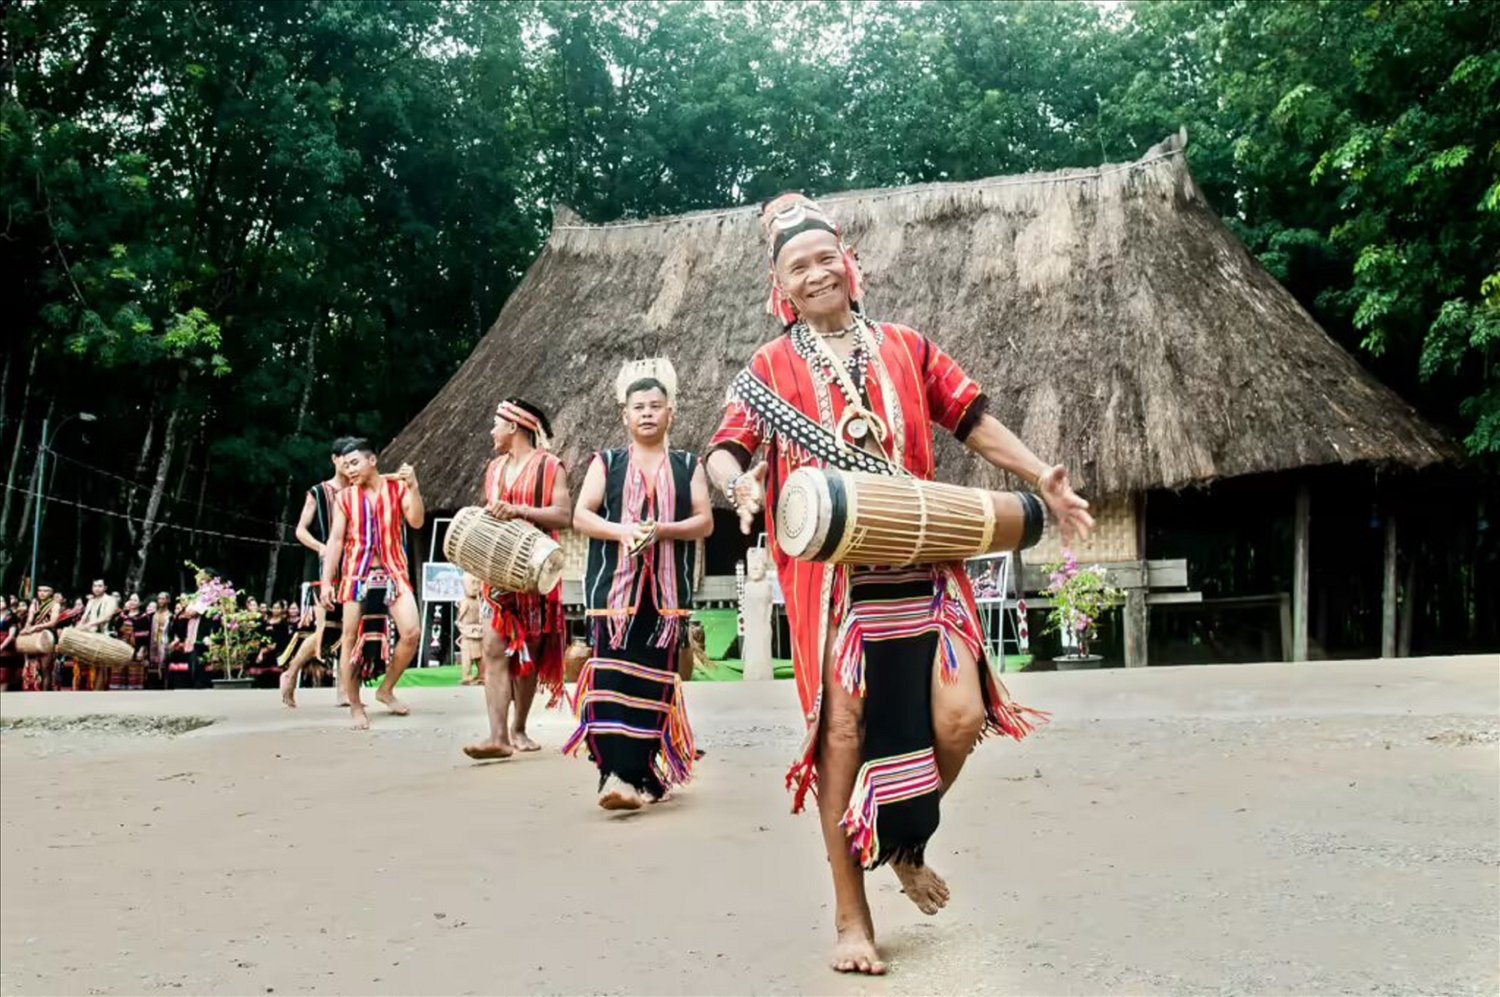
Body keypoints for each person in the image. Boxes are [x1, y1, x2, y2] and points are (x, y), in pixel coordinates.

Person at [704, 193, 1096, 975]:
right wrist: (738, 487)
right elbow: (723, 447)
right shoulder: (770, 367)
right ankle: (853, 918)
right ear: (780, 287)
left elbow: (972, 417)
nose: (816, 273)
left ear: (852, 265)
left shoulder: (908, 346)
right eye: (797, 266)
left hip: (925, 560)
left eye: (826, 258)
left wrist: (1038, 476)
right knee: (841, 735)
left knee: (961, 716)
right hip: (836, 581)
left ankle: (902, 835)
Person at [565, 363, 713, 809]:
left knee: (653, 683)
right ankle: (613, 774)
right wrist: (624, 531)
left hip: (665, 598)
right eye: (638, 408)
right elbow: (581, 515)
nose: (647, 414)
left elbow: (704, 521)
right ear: (624, 416)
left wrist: (663, 529)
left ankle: (640, 773)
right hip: (615, 596)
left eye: (655, 406)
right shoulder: (605, 462)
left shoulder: (690, 465)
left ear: (671, 413)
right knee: (610, 681)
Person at [462, 399, 571, 760]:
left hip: (536, 574)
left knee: (529, 654)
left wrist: (520, 510)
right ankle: (497, 736)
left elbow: (563, 514)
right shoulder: (494, 469)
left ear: (514, 427)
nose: (492, 431)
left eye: (496, 424)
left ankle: (519, 727)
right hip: (497, 576)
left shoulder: (549, 466)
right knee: (493, 649)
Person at [320, 438, 425, 730]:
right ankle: (355, 705)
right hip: (357, 574)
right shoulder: (344, 498)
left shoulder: (398, 488)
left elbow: (416, 522)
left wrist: (414, 487)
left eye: (354, 463)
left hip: (393, 571)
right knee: (350, 640)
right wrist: (328, 582)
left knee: (412, 632)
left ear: (372, 461)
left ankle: (386, 689)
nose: (349, 469)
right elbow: (336, 540)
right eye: (345, 465)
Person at [281, 440, 351, 707]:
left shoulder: (358, 492)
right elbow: (300, 530)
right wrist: (321, 548)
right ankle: (292, 670)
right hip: (321, 569)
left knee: (350, 629)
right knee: (325, 629)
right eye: (344, 458)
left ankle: (343, 691)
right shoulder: (318, 492)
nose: (348, 464)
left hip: (351, 568)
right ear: (334, 459)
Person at [75, 579, 121, 690]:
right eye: (95, 585)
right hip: (91, 634)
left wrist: (89, 625)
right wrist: (78, 628)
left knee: (101, 666)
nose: (97, 588)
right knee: (90, 666)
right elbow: (84, 617)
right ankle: (90, 690)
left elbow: (107, 617)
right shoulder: (91, 601)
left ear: (105, 588)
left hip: (105, 634)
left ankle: (98, 692)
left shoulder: (110, 600)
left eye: (100, 586)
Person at [19, 586, 63, 691]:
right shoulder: (34, 604)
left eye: (45, 591)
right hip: (34, 636)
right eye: (39, 590)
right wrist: (27, 628)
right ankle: (33, 690)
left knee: (45, 669)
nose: (42, 593)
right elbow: (29, 620)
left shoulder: (55, 605)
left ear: (51, 592)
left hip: (47, 636)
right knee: (32, 666)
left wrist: (36, 627)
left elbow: (53, 622)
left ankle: (44, 693)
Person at [455, 574, 484, 686]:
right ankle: (467, 675)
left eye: (478, 583)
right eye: (473, 583)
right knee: (468, 656)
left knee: (481, 656)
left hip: (477, 631)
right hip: (469, 632)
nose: (476, 586)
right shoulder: (466, 602)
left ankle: (482, 674)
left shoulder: (478, 601)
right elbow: (459, 619)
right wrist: (462, 628)